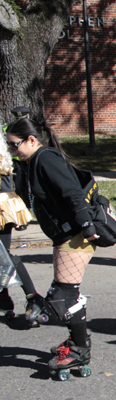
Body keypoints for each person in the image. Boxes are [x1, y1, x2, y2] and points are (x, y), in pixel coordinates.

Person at [6, 117, 100, 376]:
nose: (11, 149)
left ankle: (79, 350)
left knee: (61, 298)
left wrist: (86, 225)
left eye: (14, 145)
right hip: (64, 235)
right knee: (65, 295)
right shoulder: (31, 162)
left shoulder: (46, 158)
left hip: (76, 235)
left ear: (32, 140)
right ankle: (78, 343)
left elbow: (72, 192)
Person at [0, 133, 43, 327]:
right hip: (4, 202)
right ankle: (4, 298)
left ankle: (32, 297)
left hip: (2, 205)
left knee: (4, 256)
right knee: (2, 255)